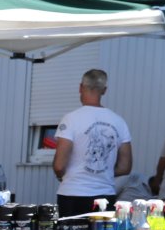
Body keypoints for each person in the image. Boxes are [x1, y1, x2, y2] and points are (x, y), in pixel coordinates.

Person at [52, 68, 132, 213]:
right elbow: (125, 167)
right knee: (102, 229)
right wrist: (103, 172)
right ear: (104, 90)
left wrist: (61, 175)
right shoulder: (119, 122)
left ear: (80, 87)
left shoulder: (71, 119)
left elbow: (59, 165)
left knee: (71, 229)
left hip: (72, 194)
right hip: (105, 195)